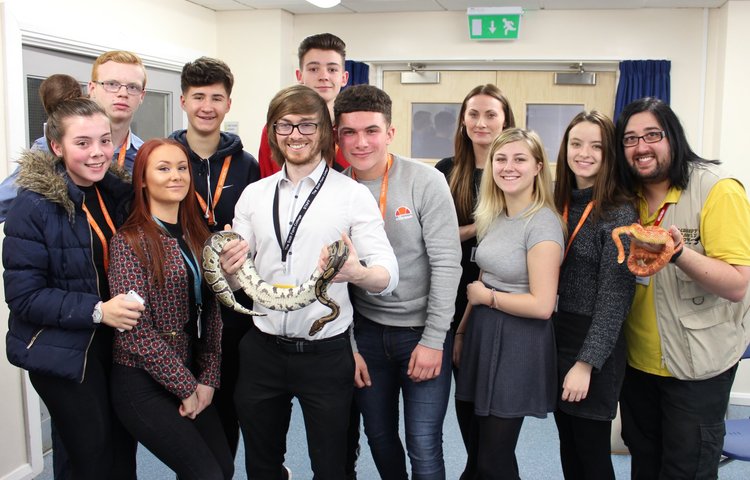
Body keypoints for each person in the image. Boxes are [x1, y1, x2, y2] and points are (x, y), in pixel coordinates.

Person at [221, 84, 398, 480]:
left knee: (331, 466)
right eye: (285, 125)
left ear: (324, 132)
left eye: (307, 125)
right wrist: (230, 269)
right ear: (272, 132)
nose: (296, 134)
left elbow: (388, 273)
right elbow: (238, 284)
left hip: (325, 353)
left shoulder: (350, 195)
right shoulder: (253, 195)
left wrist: (357, 273)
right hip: (261, 351)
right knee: (261, 463)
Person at [3, 97, 140, 479]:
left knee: (120, 445)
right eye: (82, 143)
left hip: (113, 343)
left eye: (104, 140)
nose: (97, 153)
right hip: (63, 350)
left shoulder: (116, 193)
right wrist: (98, 310)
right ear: (57, 147)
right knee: (90, 455)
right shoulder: (31, 207)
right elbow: (24, 297)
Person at [614, 97, 750, 479]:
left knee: (686, 471)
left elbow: (738, 284)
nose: (641, 147)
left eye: (652, 135)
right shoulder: (627, 197)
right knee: (644, 464)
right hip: (638, 366)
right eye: (630, 139)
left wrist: (678, 254)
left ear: (672, 137)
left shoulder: (717, 191)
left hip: (696, 368)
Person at [334, 85, 461, 479]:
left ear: (390, 132)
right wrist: (350, 345)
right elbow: (333, 278)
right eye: (349, 132)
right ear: (337, 136)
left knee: (423, 443)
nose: (360, 142)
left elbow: (447, 262)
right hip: (367, 334)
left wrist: (433, 339)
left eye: (371, 130)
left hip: (421, 331)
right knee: (379, 437)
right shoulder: (334, 189)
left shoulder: (425, 181)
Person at [108, 138, 233, 480]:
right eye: (163, 169)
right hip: (140, 380)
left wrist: (207, 378)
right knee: (205, 473)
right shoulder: (129, 242)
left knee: (224, 468)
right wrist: (186, 387)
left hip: (191, 370)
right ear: (143, 180)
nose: (176, 176)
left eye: (181, 168)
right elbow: (134, 331)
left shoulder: (199, 236)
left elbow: (213, 314)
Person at [453, 128, 564, 479]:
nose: (508, 166)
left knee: (493, 459)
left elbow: (543, 305)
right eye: (501, 159)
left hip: (519, 343)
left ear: (537, 167)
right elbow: (484, 277)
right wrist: (461, 332)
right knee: (477, 452)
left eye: (519, 159)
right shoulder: (494, 215)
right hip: (480, 336)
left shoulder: (543, 224)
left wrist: (489, 299)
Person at [169, 56, 260, 458]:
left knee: (227, 402)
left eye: (217, 97)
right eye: (199, 96)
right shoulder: (164, 160)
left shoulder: (247, 165)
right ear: (184, 100)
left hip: (233, 303)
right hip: (180, 302)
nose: (207, 106)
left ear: (228, 104)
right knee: (184, 406)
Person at [551, 111, 636, 480]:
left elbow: (616, 298)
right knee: (568, 448)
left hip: (594, 343)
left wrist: (586, 364)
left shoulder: (619, 211)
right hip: (558, 334)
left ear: (609, 155)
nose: (584, 153)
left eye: (596, 146)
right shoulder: (559, 202)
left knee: (592, 456)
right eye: (576, 143)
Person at [434, 84, 516, 448]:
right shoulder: (446, 171)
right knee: (465, 403)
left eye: (491, 115)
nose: (481, 123)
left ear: (505, 121)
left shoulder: (514, 171)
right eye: (473, 114)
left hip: (503, 301)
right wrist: (481, 226)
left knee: (495, 414)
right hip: (452, 300)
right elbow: (435, 238)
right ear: (463, 120)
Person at [0, 50, 147, 222]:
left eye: (133, 87)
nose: (123, 93)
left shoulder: (144, 156)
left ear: (142, 96)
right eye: (112, 84)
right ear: (92, 88)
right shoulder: (49, 148)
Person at [257, 32, 350, 177]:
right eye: (313, 69)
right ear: (299, 76)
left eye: (332, 69)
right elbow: (269, 181)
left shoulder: (353, 130)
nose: (324, 77)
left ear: (344, 78)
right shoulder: (279, 129)